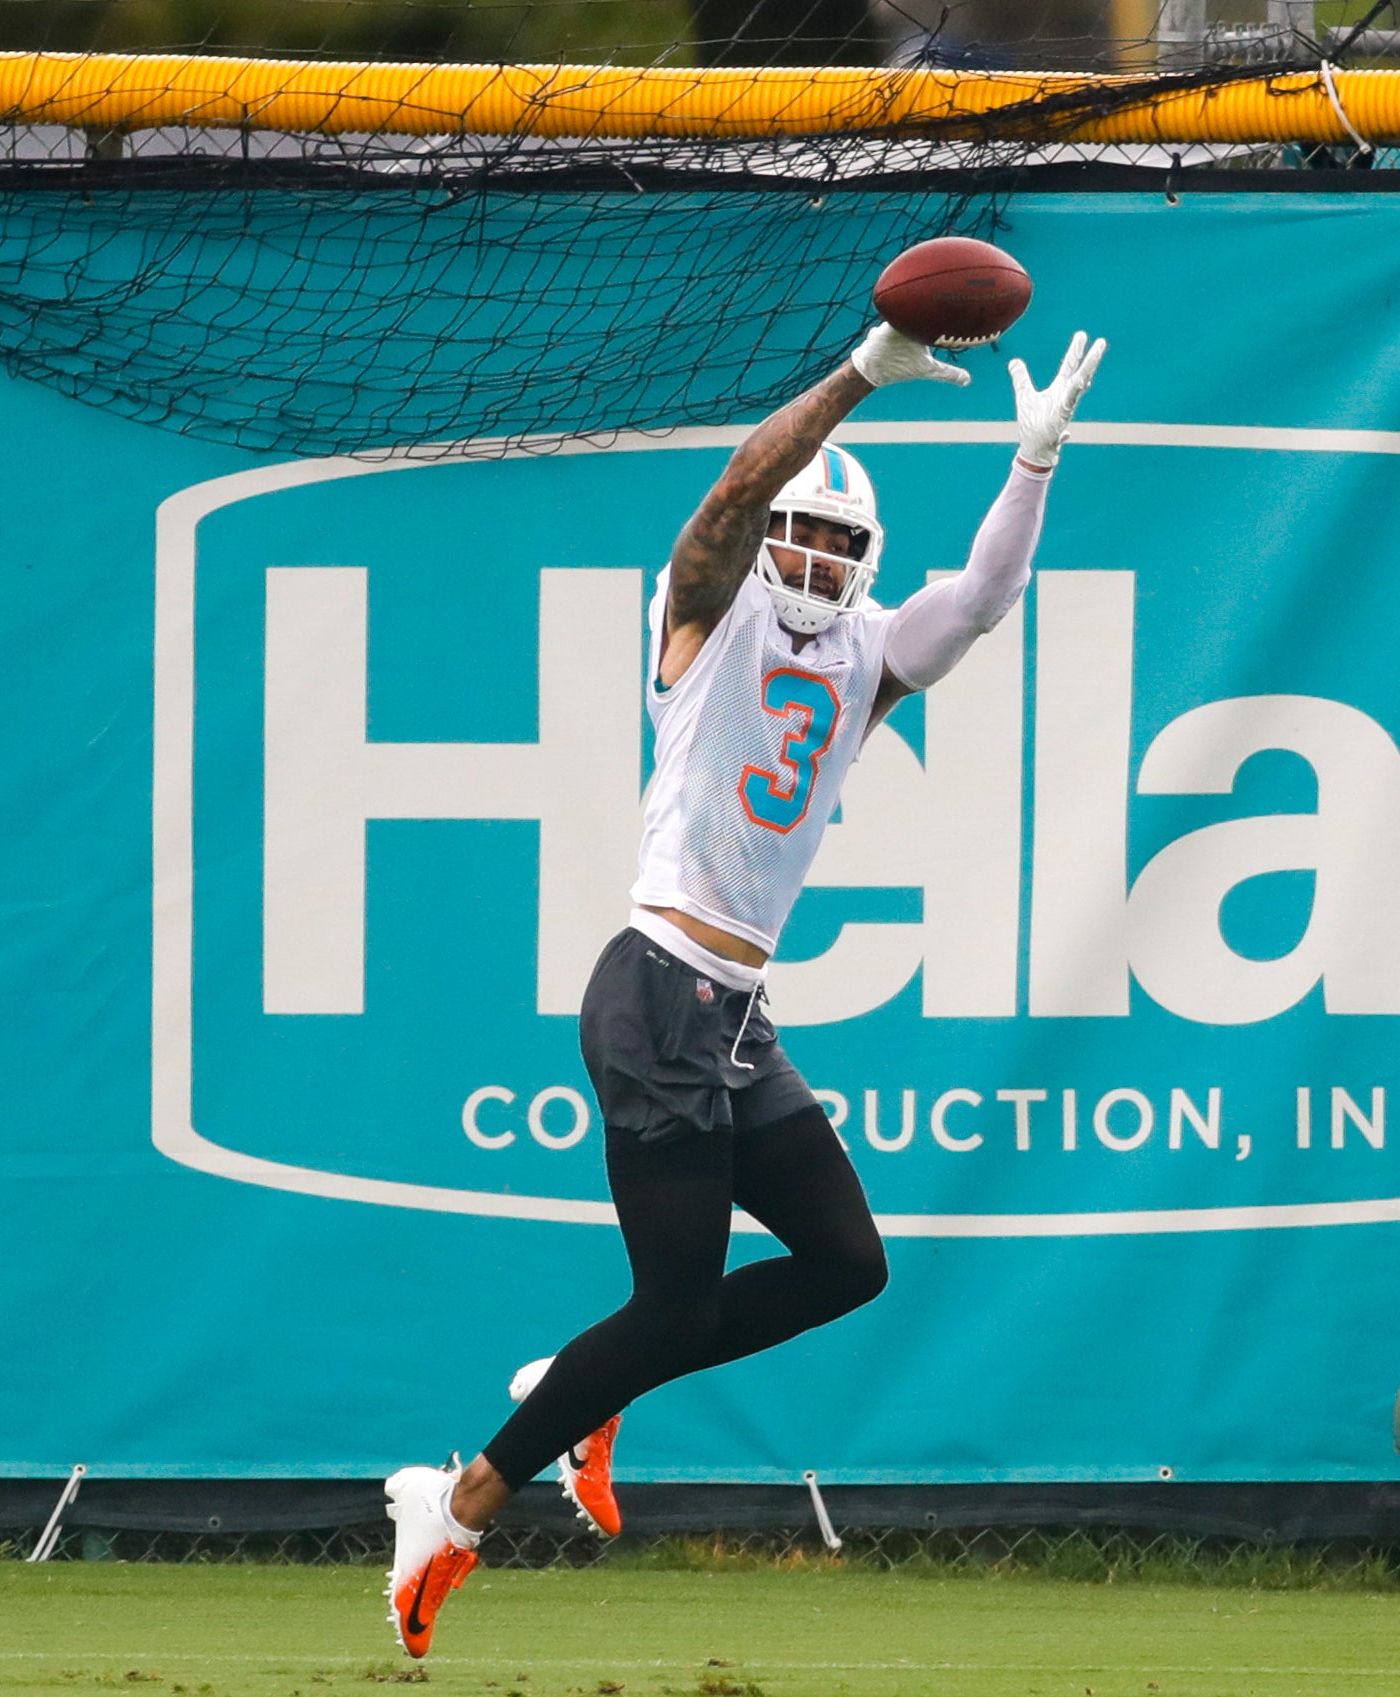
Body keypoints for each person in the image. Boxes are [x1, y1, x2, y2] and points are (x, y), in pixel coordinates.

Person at [380, 319, 1108, 1657]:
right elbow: (727, 497)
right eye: (802, 534)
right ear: (772, 540)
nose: (817, 559)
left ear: (862, 555)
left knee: (846, 1263)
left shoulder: (866, 653)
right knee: (669, 1304)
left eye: (840, 542)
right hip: (658, 985)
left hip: (733, 1014)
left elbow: (981, 599)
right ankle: (462, 1500)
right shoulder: (706, 616)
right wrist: (858, 377)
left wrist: (1034, 463)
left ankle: (590, 1384)